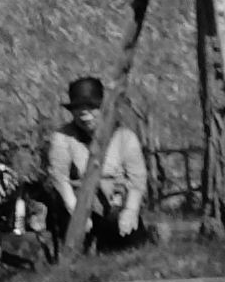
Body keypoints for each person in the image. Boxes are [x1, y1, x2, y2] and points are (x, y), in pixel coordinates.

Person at [45, 73, 152, 253]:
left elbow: (137, 180)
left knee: (130, 242)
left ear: (103, 109)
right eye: (78, 108)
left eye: (91, 107)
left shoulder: (125, 137)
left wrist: (131, 210)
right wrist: (76, 212)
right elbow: (59, 177)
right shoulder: (62, 138)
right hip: (76, 205)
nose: (84, 114)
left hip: (116, 204)